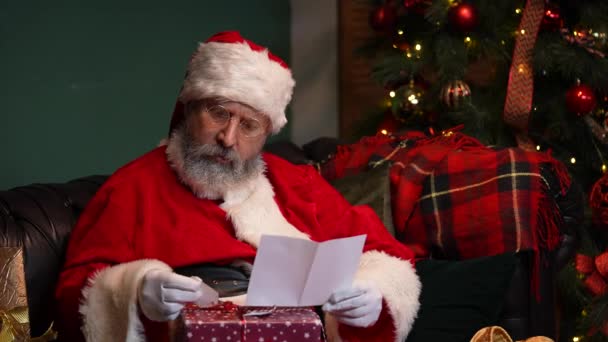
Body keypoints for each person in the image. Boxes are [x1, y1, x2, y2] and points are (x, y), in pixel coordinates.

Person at [55, 31, 421, 342]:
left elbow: (382, 255)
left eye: (249, 126)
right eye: (218, 113)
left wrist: (374, 295)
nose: (228, 138)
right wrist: (135, 293)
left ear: (266, 134)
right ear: (189, 109)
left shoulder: (296, 183)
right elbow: (76, 293)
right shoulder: (132, 188)